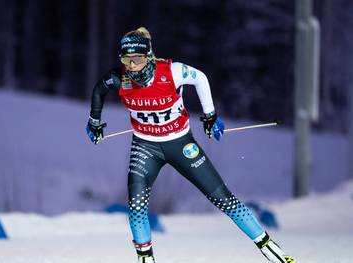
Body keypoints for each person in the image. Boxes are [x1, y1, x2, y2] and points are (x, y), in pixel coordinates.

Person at [86, 27, 295, 263]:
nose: (132, 66)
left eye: (138, 59)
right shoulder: (118, 78)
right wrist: (94, 121)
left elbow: (200, 78)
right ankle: (146, 260)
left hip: (181, 145)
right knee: (136, 205)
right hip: (145, 147)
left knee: (223, 198)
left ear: (149, 56)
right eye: (127, 60)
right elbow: (99, 90)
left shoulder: (172, 71)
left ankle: (272, 251)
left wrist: (210, 115)